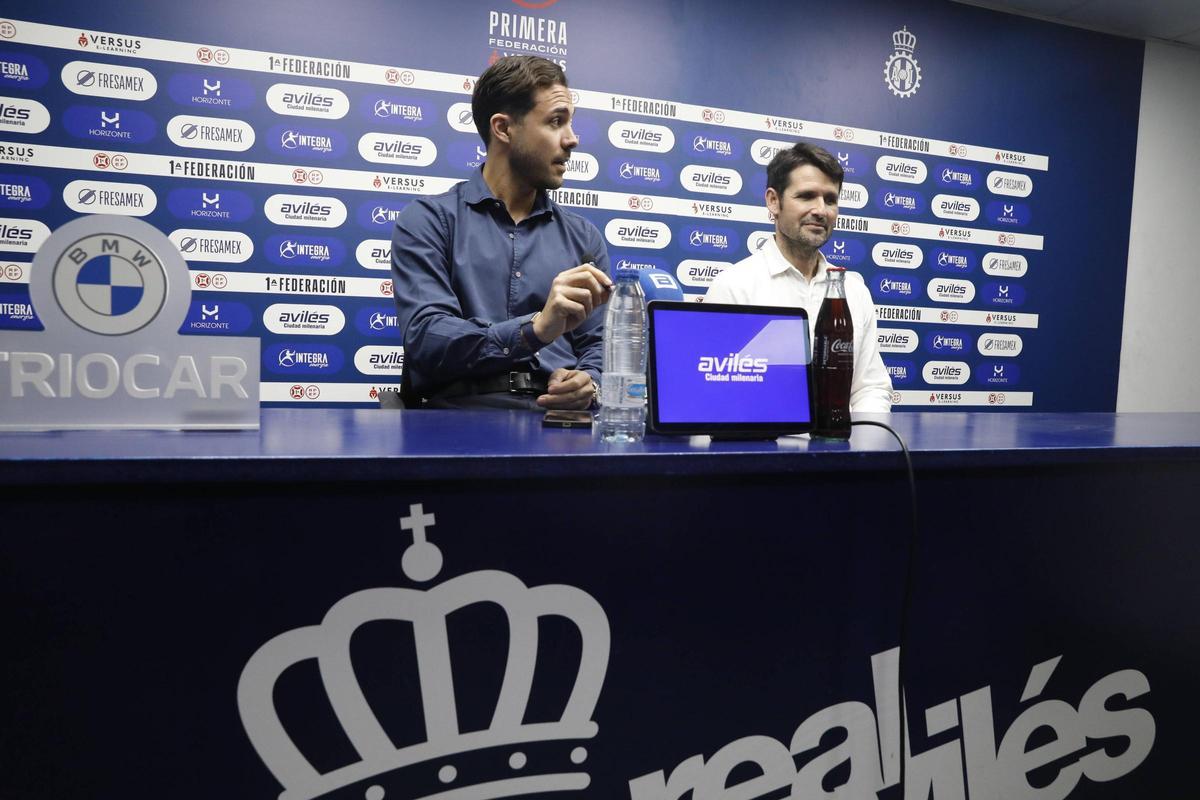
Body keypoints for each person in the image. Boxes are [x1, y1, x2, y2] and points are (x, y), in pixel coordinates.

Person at [391, 55, 612, 409]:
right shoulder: (429, 220)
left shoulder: (584, 237)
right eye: (556, 122)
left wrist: (590, 382)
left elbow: (598, 346)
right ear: (503, 128)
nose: (572, 140)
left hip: (560, 427)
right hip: (456, 425)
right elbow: (428, 338)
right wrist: (536, 330)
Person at [704, 142, 893, 412]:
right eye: (806, 196)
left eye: (830, 199)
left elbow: (870, 387)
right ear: (773, 201)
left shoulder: (854, 292)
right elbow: (715, 391)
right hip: (761, 450)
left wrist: (859, 447)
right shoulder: (734, 287)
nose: (821, 210)